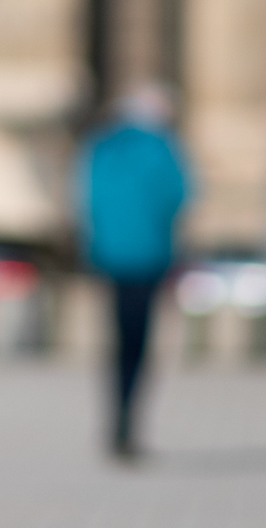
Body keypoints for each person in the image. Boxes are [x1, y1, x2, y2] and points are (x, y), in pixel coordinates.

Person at [80, 82, 188, 461]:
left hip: (109, 256)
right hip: (149, 256)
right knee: (138, 343)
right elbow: (181, 195)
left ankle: (116, 421)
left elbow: (83, 198)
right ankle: (129, 423)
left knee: (116, 341)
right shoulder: (161, 147)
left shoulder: (101, 146)